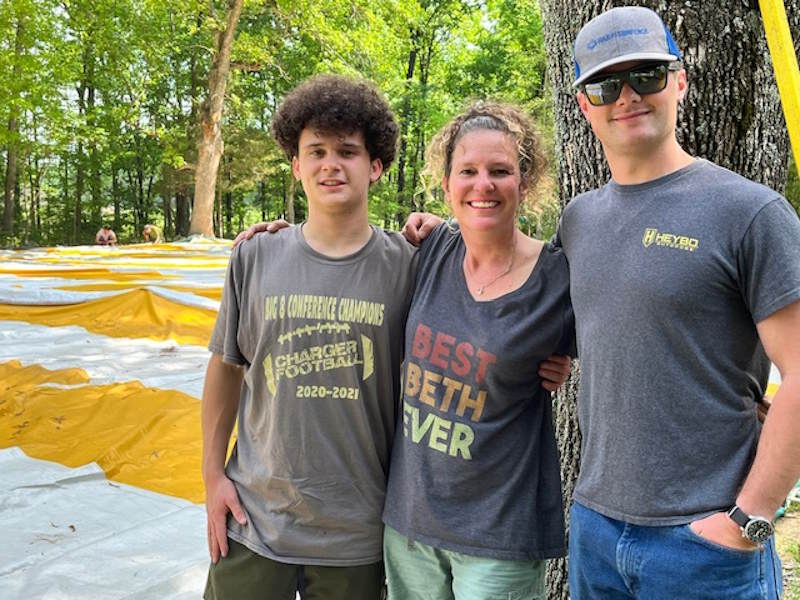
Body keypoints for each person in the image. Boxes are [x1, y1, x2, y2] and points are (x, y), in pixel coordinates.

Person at [405, 6, 800, 598]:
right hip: (594, 529)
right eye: (605, 83)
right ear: (585, 106)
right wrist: (442, 229)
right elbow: (542, 295)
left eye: (647, 75)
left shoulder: (751, 213)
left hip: (705, 543)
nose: (627, 96)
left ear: (680, 82)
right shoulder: (580, 220)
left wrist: (748, 519)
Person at [201, 74, 417, 600]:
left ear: (376, 166)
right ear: (296, 166)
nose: (330, 164)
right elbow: (226, 370)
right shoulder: (254, 257)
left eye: (347, 151)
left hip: (359, 537)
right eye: (315, 151)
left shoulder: (410, 267)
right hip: (254, 523)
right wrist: (212, 479)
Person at [380, 102, 576, 599]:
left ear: (525, 183)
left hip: (499, 533)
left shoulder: (558, 279)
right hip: (410, 524)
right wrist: (275, 240)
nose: (482, 185)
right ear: (446, 185)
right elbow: (343, 254)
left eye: (500, 171)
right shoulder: (427, 252)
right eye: (467, 171)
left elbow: (629, 337)